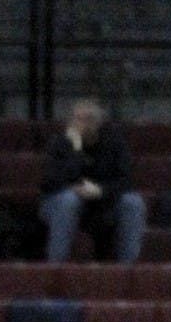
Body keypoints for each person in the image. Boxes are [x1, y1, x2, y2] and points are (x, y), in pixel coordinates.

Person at [39, 98, 147, 263]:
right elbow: (49, 182)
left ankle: (128, 268)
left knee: (133, 202)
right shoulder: (60, 142)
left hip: (103, 201)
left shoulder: (115, 142)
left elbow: (126, 181)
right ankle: (55, 265)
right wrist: (75, 147)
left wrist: (100, 191)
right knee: (68, 201)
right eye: (77, 119)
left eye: (88, 119)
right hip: (63, 201)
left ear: (99, 122)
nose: (82, 124)